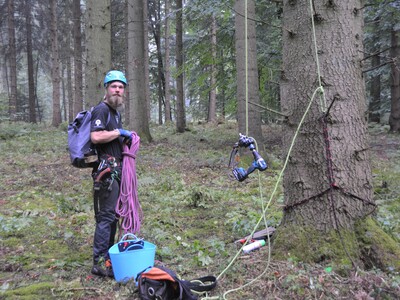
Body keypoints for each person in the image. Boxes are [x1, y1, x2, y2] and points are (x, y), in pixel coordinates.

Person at [89, 70, 133, 277]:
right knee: (106, 217)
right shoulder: (101, 110)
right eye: (114, 86)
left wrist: (125, 139)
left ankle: (108, 258)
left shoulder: (115, 113)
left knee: (114, 216)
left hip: (118, 170)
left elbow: (112, 137)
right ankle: (98, 261)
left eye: (121, 87)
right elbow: (96, 137)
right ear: (106, 88)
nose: (117, 90)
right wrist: (118, 133)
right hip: (107, 172)